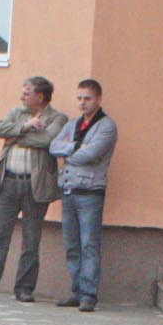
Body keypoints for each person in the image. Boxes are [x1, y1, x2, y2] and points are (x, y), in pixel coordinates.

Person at [0, 77, 67, 304]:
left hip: (35, 186)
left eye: (27, 92)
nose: (22, 96)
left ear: (40, 97)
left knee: (31, 240)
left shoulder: (57, 118)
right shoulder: (17, 112)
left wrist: (14, 137)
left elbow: (47, 140)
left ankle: (24, 289)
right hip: (9, 182)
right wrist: (25, 126)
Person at [49, 79, 117, 312]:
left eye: (87, 98)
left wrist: (69, 151)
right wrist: (76, 148)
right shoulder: (73, 124)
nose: (82, 103)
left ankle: (89, 294)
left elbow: (91, 154)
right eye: (79, 98)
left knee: (89, 244)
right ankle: (76, 291)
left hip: (90, 192)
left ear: (98, 99)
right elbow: (53, 146)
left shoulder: (106, 126)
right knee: (72, 245)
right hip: (69, 189)